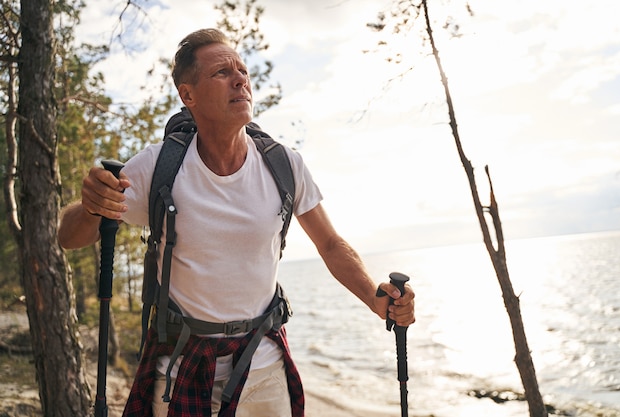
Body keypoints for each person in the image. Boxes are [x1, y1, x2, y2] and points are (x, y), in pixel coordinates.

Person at [58, 28, 415, 417]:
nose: (241, 79)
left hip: (263, 367)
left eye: (241, 70)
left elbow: (329, 244)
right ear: (188, 95)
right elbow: (70, 236)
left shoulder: (283, 164)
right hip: (181, 367)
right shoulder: (160, 166)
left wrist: (375, 299)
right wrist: (92, 205)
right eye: (222, 73)